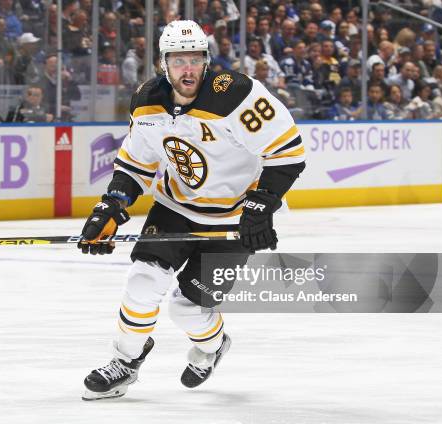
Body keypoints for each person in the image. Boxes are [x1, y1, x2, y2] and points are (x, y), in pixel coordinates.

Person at [79, 20, 306, 401]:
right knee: (142, 282)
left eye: (196, 59)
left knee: (186, 309)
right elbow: (136, 163)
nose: (189, 69)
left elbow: (288, 153)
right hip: (175, 207)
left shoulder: (236, 95)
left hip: (234, 218)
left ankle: (214, 345)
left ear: (206, 60)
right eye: (179, 60)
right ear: (163, 64)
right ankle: (124, 362)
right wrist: (111, 205)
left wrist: (261, 205)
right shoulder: (147, 100)